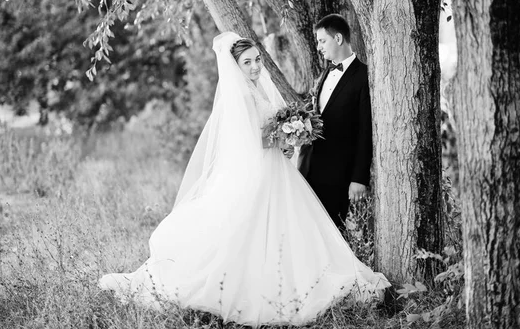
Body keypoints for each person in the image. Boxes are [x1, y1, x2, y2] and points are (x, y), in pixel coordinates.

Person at [99, 32, 388, 327]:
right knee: (250, 231)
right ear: (235, 66)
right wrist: (283, 135)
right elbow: (246, 142)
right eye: (247, 62)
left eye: (257, 60)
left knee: (291, 228)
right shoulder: (239, 97)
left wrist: (289, 137)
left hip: (277, 172)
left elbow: (270, 134)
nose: (255, 67)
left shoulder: (260, 90)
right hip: (257, 173)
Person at [298, 14, 373, 231]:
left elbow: (365, 130)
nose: (319, 47)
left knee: (331, 235)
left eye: (322, 41)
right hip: (311, 170)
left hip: (340, 176)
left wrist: (359, 178)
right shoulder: (324, 74)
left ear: (338, 38)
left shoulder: (364, 76)